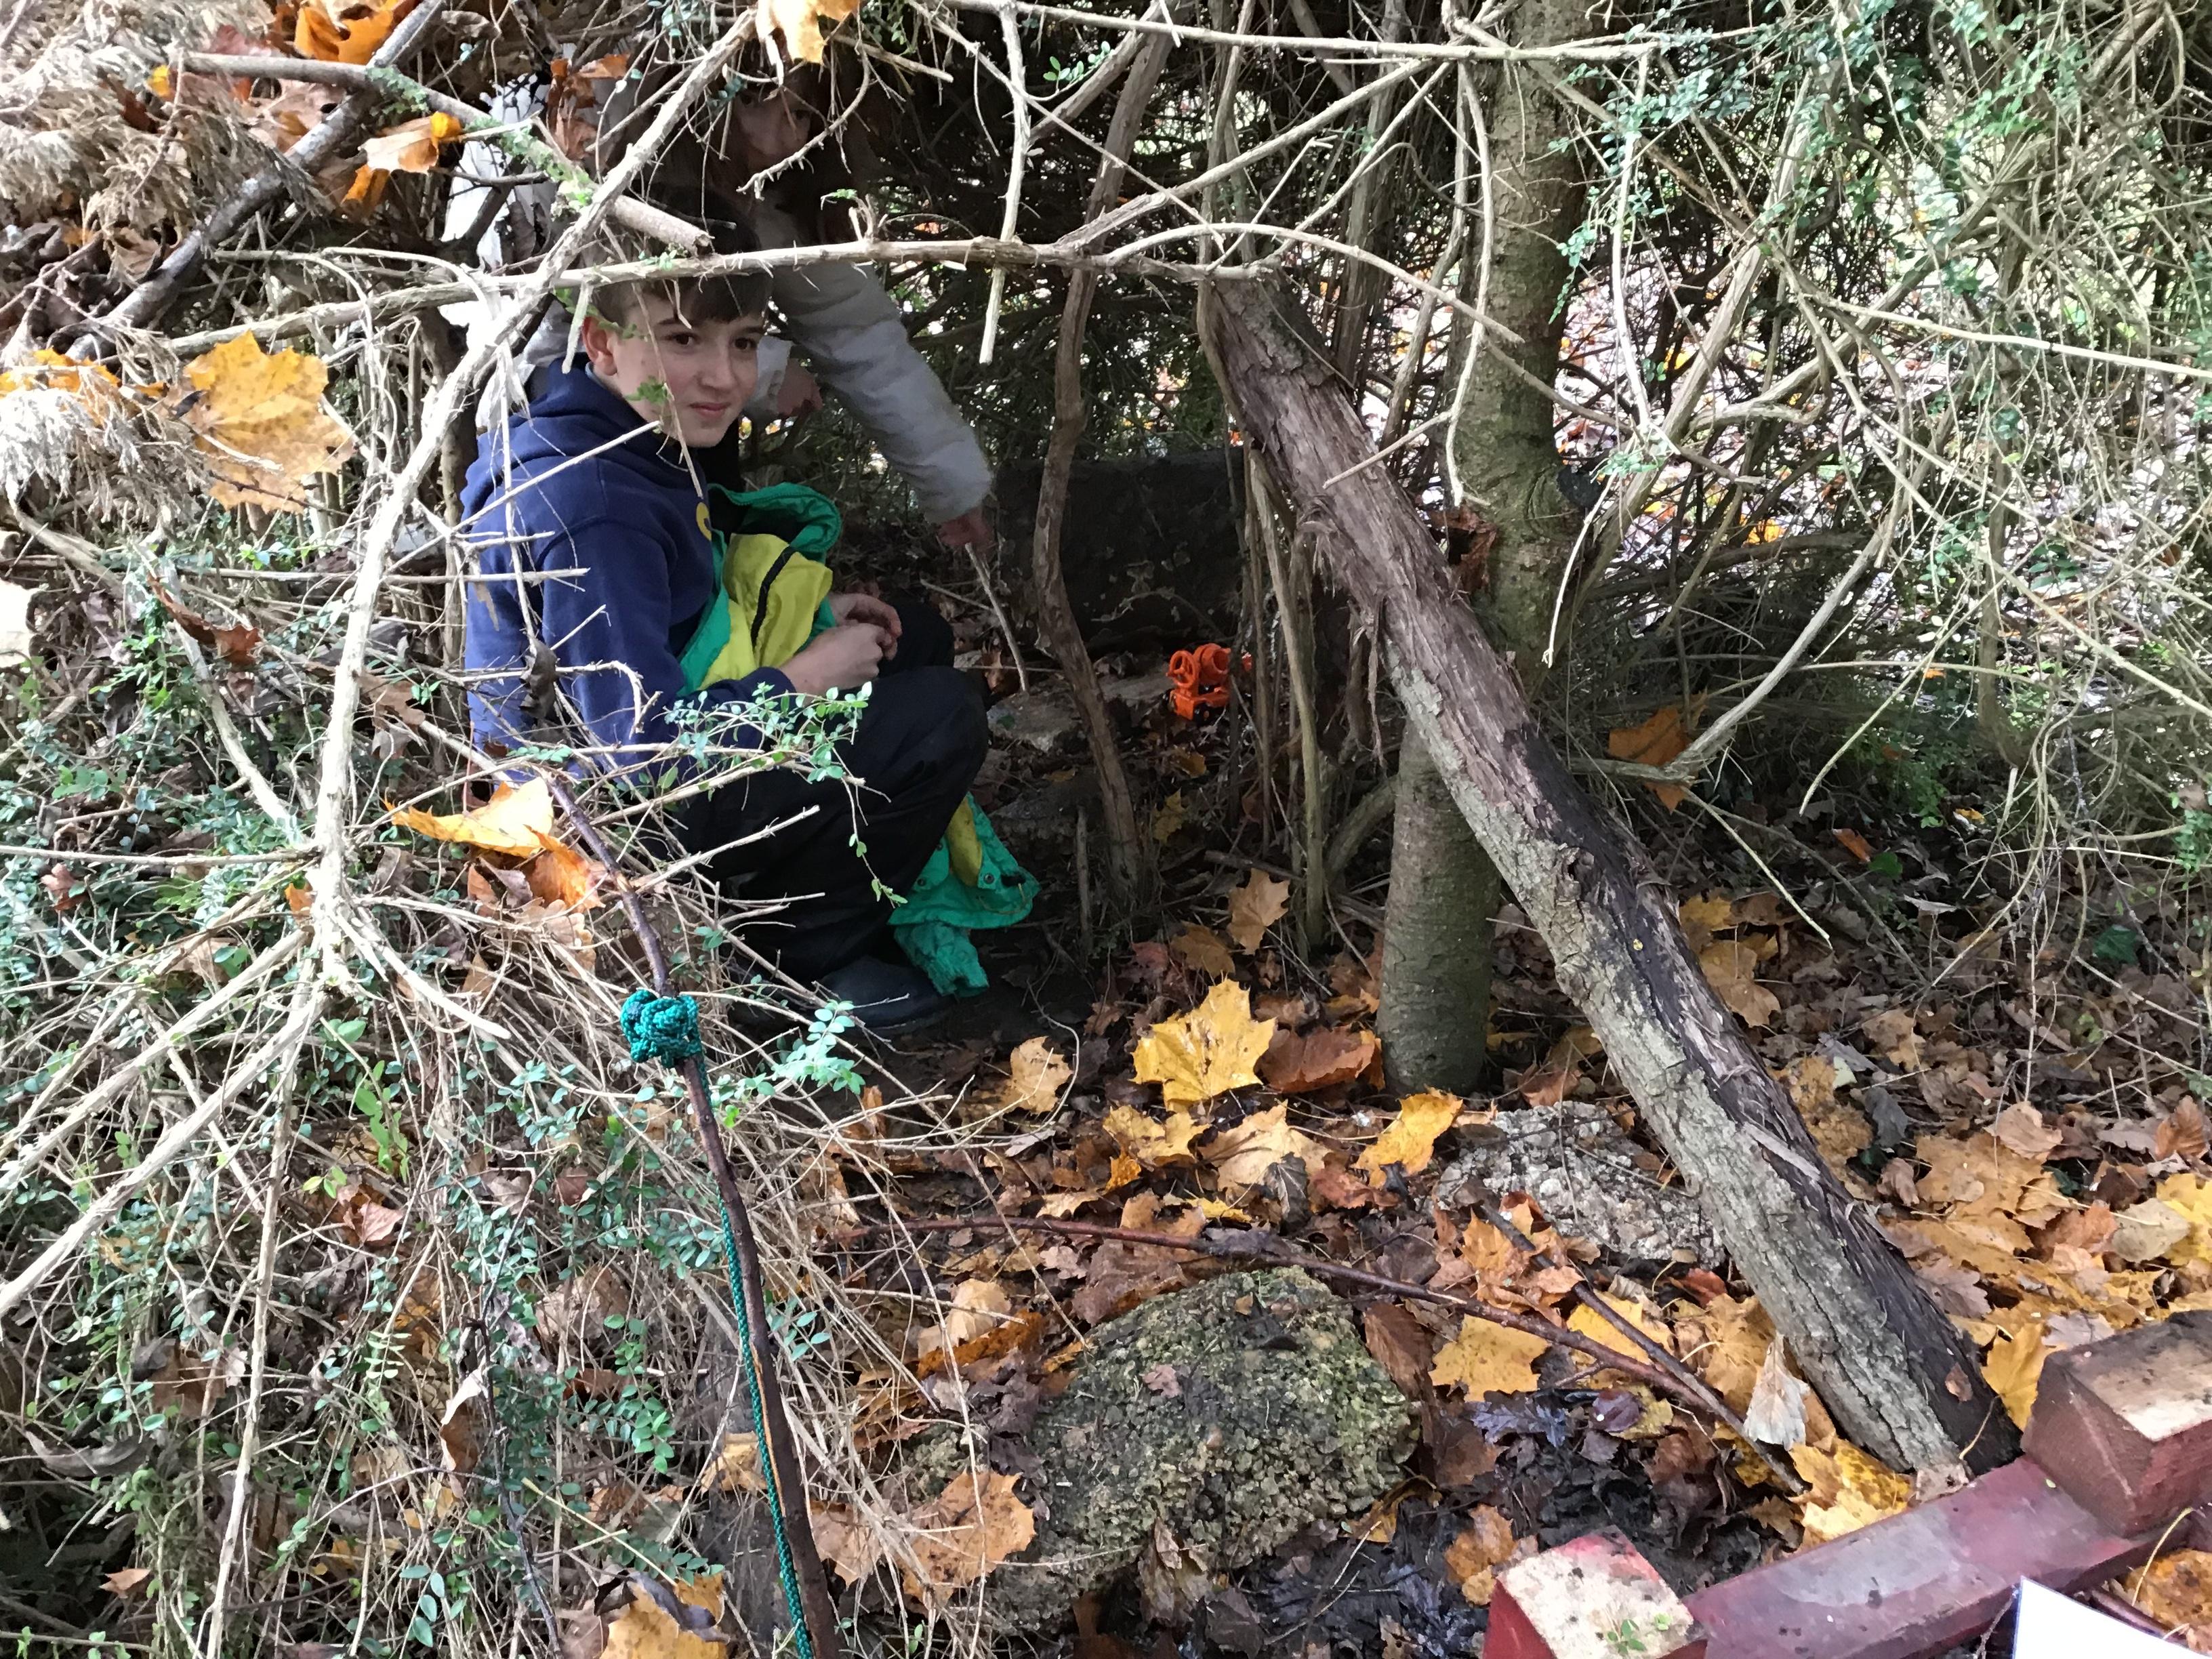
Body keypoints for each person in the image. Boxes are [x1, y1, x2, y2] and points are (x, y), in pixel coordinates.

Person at [460, 213, 987, 1033]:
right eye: (682, 340)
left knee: (911, 640)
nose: (723, 376)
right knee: (939, 717)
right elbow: (639, 757)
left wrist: (813, 624)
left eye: (744, 342)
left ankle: (818, 890)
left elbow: (671, 625)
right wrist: (803, 678)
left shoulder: (626, 435)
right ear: (602, 344)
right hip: (608, 825)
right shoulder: (593, 501)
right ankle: (792, 962)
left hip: (648, 743)